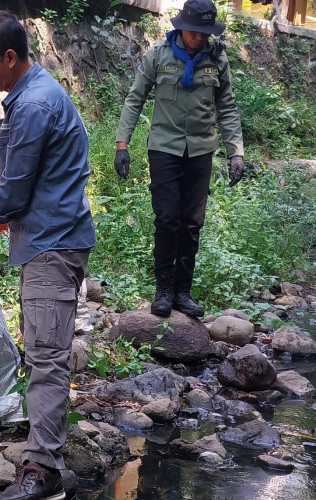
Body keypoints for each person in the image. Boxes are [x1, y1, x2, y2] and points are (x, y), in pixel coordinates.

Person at [0, 10, 95, 499]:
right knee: (42, 350)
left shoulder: (33, 104)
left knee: (48, 358)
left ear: (9, 58)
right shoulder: (32, 94)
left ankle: (43, 471)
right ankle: (42, 452)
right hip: (48, 240)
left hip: (53, 243)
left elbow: (15, 188)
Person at [114, 0, 244, 318]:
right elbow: (135, 99)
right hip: (164, 148)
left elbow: (227, 107)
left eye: (204, 33)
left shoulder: (217, 59)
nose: (199, 39)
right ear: (181, 27)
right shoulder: (158, 55)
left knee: (191, 224)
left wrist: (236, 152)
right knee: (167, 219)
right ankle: (163, 291)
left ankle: (183, 293)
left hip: (200, 151)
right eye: (194, 32)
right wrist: (122, 144)